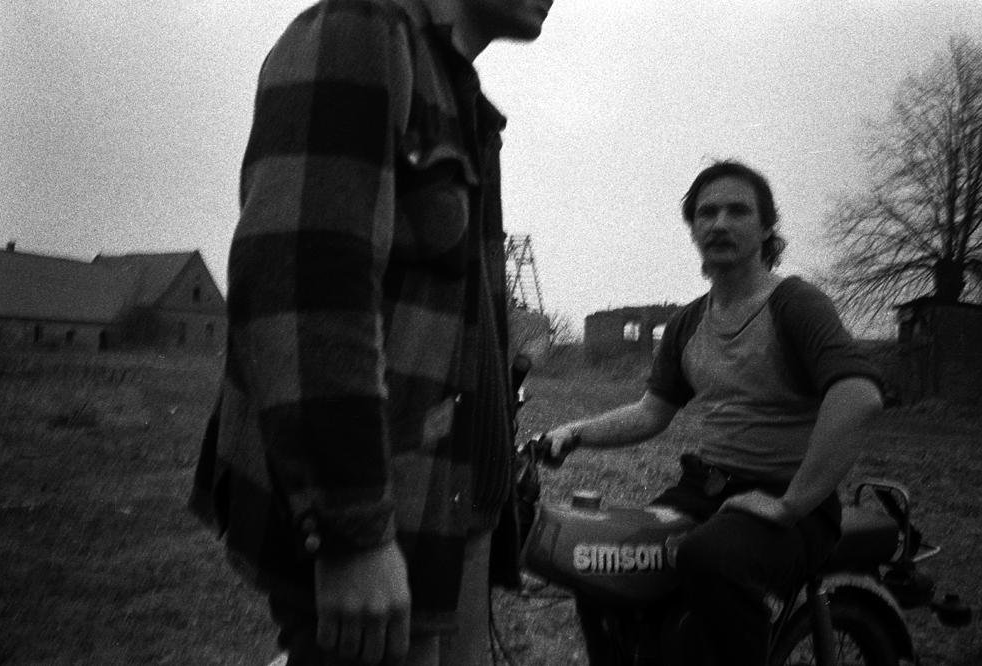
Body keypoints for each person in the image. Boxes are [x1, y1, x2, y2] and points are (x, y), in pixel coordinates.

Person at [188, 1, 554, 664]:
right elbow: (302, 282)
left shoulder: (466, 104)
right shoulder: (361, 28)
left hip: (451, 507)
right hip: (383, 512)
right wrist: (351, 532)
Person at [542, 160, 884, 666]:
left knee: (712, 558)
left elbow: (858, 395)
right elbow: (652, 412)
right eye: (707, 213)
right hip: (706, 489)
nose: (719, 223)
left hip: (788, 500)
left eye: (737, 211)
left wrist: (789, 506)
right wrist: (574, 432)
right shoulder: (688, 322)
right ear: (693, 228)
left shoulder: (794, 304)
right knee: (601, 560)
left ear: (766, 228)